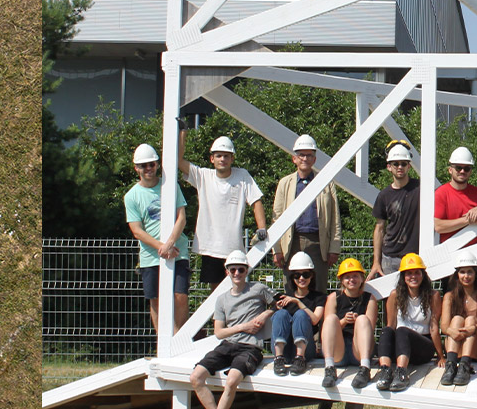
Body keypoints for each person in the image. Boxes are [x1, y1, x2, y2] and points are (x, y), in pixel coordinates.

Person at [186, 256, 277, 409]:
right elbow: (219, 332)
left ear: (247, 271)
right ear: (227, 272)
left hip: (250, 348)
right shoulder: (222, 299)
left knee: (232, 379)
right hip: (227, 345)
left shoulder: (258, 289)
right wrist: (243, 326)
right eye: (233, 270)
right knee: (196, 377)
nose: (237, 274)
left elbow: (280, 302)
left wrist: (265, 314)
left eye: (241, 270)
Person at [179, 133, 267, 283]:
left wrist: (262, 228)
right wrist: (182, 133)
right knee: (215, 294)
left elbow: (256, 201)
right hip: (210, 247)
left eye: (226, 156)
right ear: (212, 159)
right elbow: (178, 161)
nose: (222, 159)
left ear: (232, 158)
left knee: (237, 291)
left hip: (233, 248)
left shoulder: (242, 176)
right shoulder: (203, 176)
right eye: (219, 156)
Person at [124, 143, 191, 335]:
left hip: (177, 252)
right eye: (143, 166)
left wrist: (170, 244)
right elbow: (137, 230)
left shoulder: (170, 186)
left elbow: (182, 217)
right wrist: (161, 247)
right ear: (136, 168)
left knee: (180, 295)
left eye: (151, 164)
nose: (148, 169)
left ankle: (177, 338)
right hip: (151, 256)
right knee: (155, 299)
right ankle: (163, 341)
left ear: (157, 165)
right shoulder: (132, 196)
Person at [270, 135, 341, 273]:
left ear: (314, 159)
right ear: (294, 158)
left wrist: (334, 248)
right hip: (291, 243)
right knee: (292, 287)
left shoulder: (326, 183)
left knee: (318, 288)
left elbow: (335, 219)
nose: (305, 159)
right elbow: (276, 218)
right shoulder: (285, 183)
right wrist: (276, 250)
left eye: (309, 155)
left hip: (319, 243)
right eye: (301, 155)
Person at [372, 253, 438, 392]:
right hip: (401, 346)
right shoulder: (395, 295)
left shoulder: (433, 295)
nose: (413, 277)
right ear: (403, 276)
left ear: (423, 275)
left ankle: (402, 373)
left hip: (423, 346)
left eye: (417, 273)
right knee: (387, 330)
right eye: (409, 273)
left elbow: (434, 327)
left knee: (402, 330)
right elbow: (391, 324)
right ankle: (385, 371)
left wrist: (441, 356)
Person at [319, 257, 378, 388]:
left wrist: (357, 322)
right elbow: (328, 330)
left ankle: (365, 369)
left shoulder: (370, 299)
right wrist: (344, 321)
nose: (352, 280)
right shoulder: (333, 298)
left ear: (362, 278)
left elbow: (370, 328)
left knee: (363, 319)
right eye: (347, 277)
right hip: (338, 351)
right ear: (342, 280)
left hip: (359, 350)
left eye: (355, 276)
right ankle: (329, 369)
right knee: (331, 319)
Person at [369, 142, 423, 277]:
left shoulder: (421, 189)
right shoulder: (384, 195)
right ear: (389, 167)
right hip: (390, 257)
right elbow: (379, 228)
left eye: (403, 164)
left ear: (409, 166)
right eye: (396, 164)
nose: (400, 167)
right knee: (391, 297)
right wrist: (376, 262)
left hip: (416, 256)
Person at [266, 252, 323, 376]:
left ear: (312, 276)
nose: (301, 278)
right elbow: (274, 319)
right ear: (292, 277)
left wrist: (298, 303)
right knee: (281, 314)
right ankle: (279, 358)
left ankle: (300, 358)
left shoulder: (319, 297)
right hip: (283, 348)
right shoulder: (284, 298)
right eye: (297, 275)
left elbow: (315, 320)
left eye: (305, 274)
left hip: (306, 350)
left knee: (301, 315)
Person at [439, 255, 477, 386]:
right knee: (456, 319)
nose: (466, 276)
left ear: (476, 274)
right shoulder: (449, 296)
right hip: (455, 345)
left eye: (470, 272)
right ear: (457, 274)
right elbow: (444, 326)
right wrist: (453, 332)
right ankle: (450, 366)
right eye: (462, 272)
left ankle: (464, 366)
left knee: (470, 319)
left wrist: (473, 328)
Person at [431, 146, 477, 251]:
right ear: (450, 170)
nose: (462, 171)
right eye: (458, 168)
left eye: (467, 168)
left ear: (471, 171)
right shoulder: (441, 193)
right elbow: (439, 226)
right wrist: (468, 220)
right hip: (452, 254)